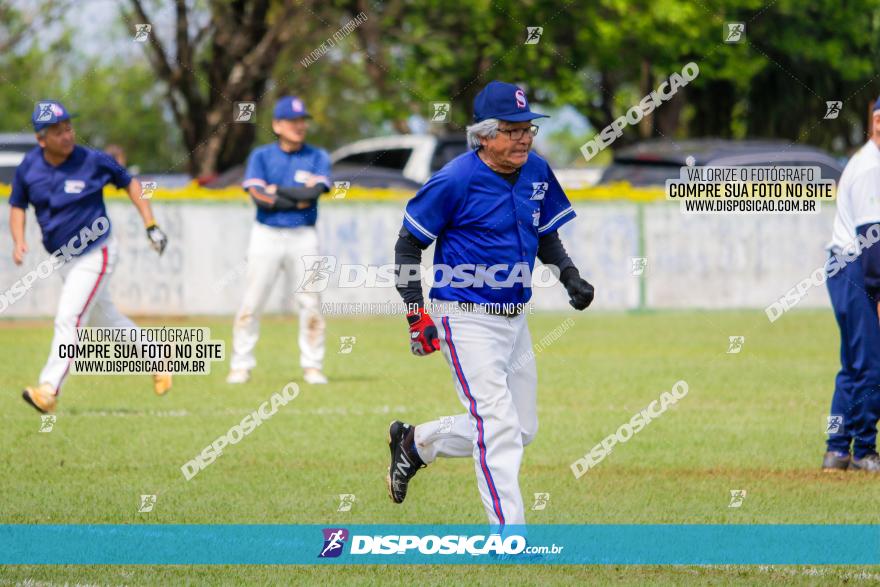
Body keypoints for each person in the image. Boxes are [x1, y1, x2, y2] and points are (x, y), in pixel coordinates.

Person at [385, 81, 595, 525]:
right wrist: (414, 312)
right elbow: (408, 246)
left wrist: (569, 276)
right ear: (483, 134)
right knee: (498, 428)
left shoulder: (536, 170)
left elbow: (546, 234)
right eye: (512, 129)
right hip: (463, 317)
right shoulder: (454, 179)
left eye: (528, 129)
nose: (523, 137)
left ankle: (415, 443)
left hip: (515, 318)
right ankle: (509, 539)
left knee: (521, 429)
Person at [9, 100, 170, 414]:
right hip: (64, 259)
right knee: (105, 320)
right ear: (41, 139)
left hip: (97, 251)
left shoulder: (92, 160)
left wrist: (151, 225)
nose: (67, 134)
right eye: (57, 131)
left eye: (68, 126)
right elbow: (17, 205)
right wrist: (18, 240)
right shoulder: (30, 167)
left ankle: (49, 389)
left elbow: (131, 184)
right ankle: (157, 358)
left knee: (69, 317)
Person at [227, 96, 331, 385]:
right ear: (277, 125)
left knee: (311, 302)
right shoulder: (261, 156)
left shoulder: (317, 156)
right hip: (266, 234)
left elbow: (313, 195)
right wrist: (295, 196)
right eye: (292, 121)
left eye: (302, 121)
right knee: (252, 301)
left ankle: (312, 366)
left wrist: (279, 193)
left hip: (304, 235)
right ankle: (241, 364)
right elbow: (260, 197)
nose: (299, 126)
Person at [822, 97, 880, 472]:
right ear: (876, 123)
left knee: (854, 366)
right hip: (855, 270)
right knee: (871, 367)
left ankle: (836, 448)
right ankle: (863, 451)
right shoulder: (870, 168)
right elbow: (872, 242)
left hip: (849, 268)